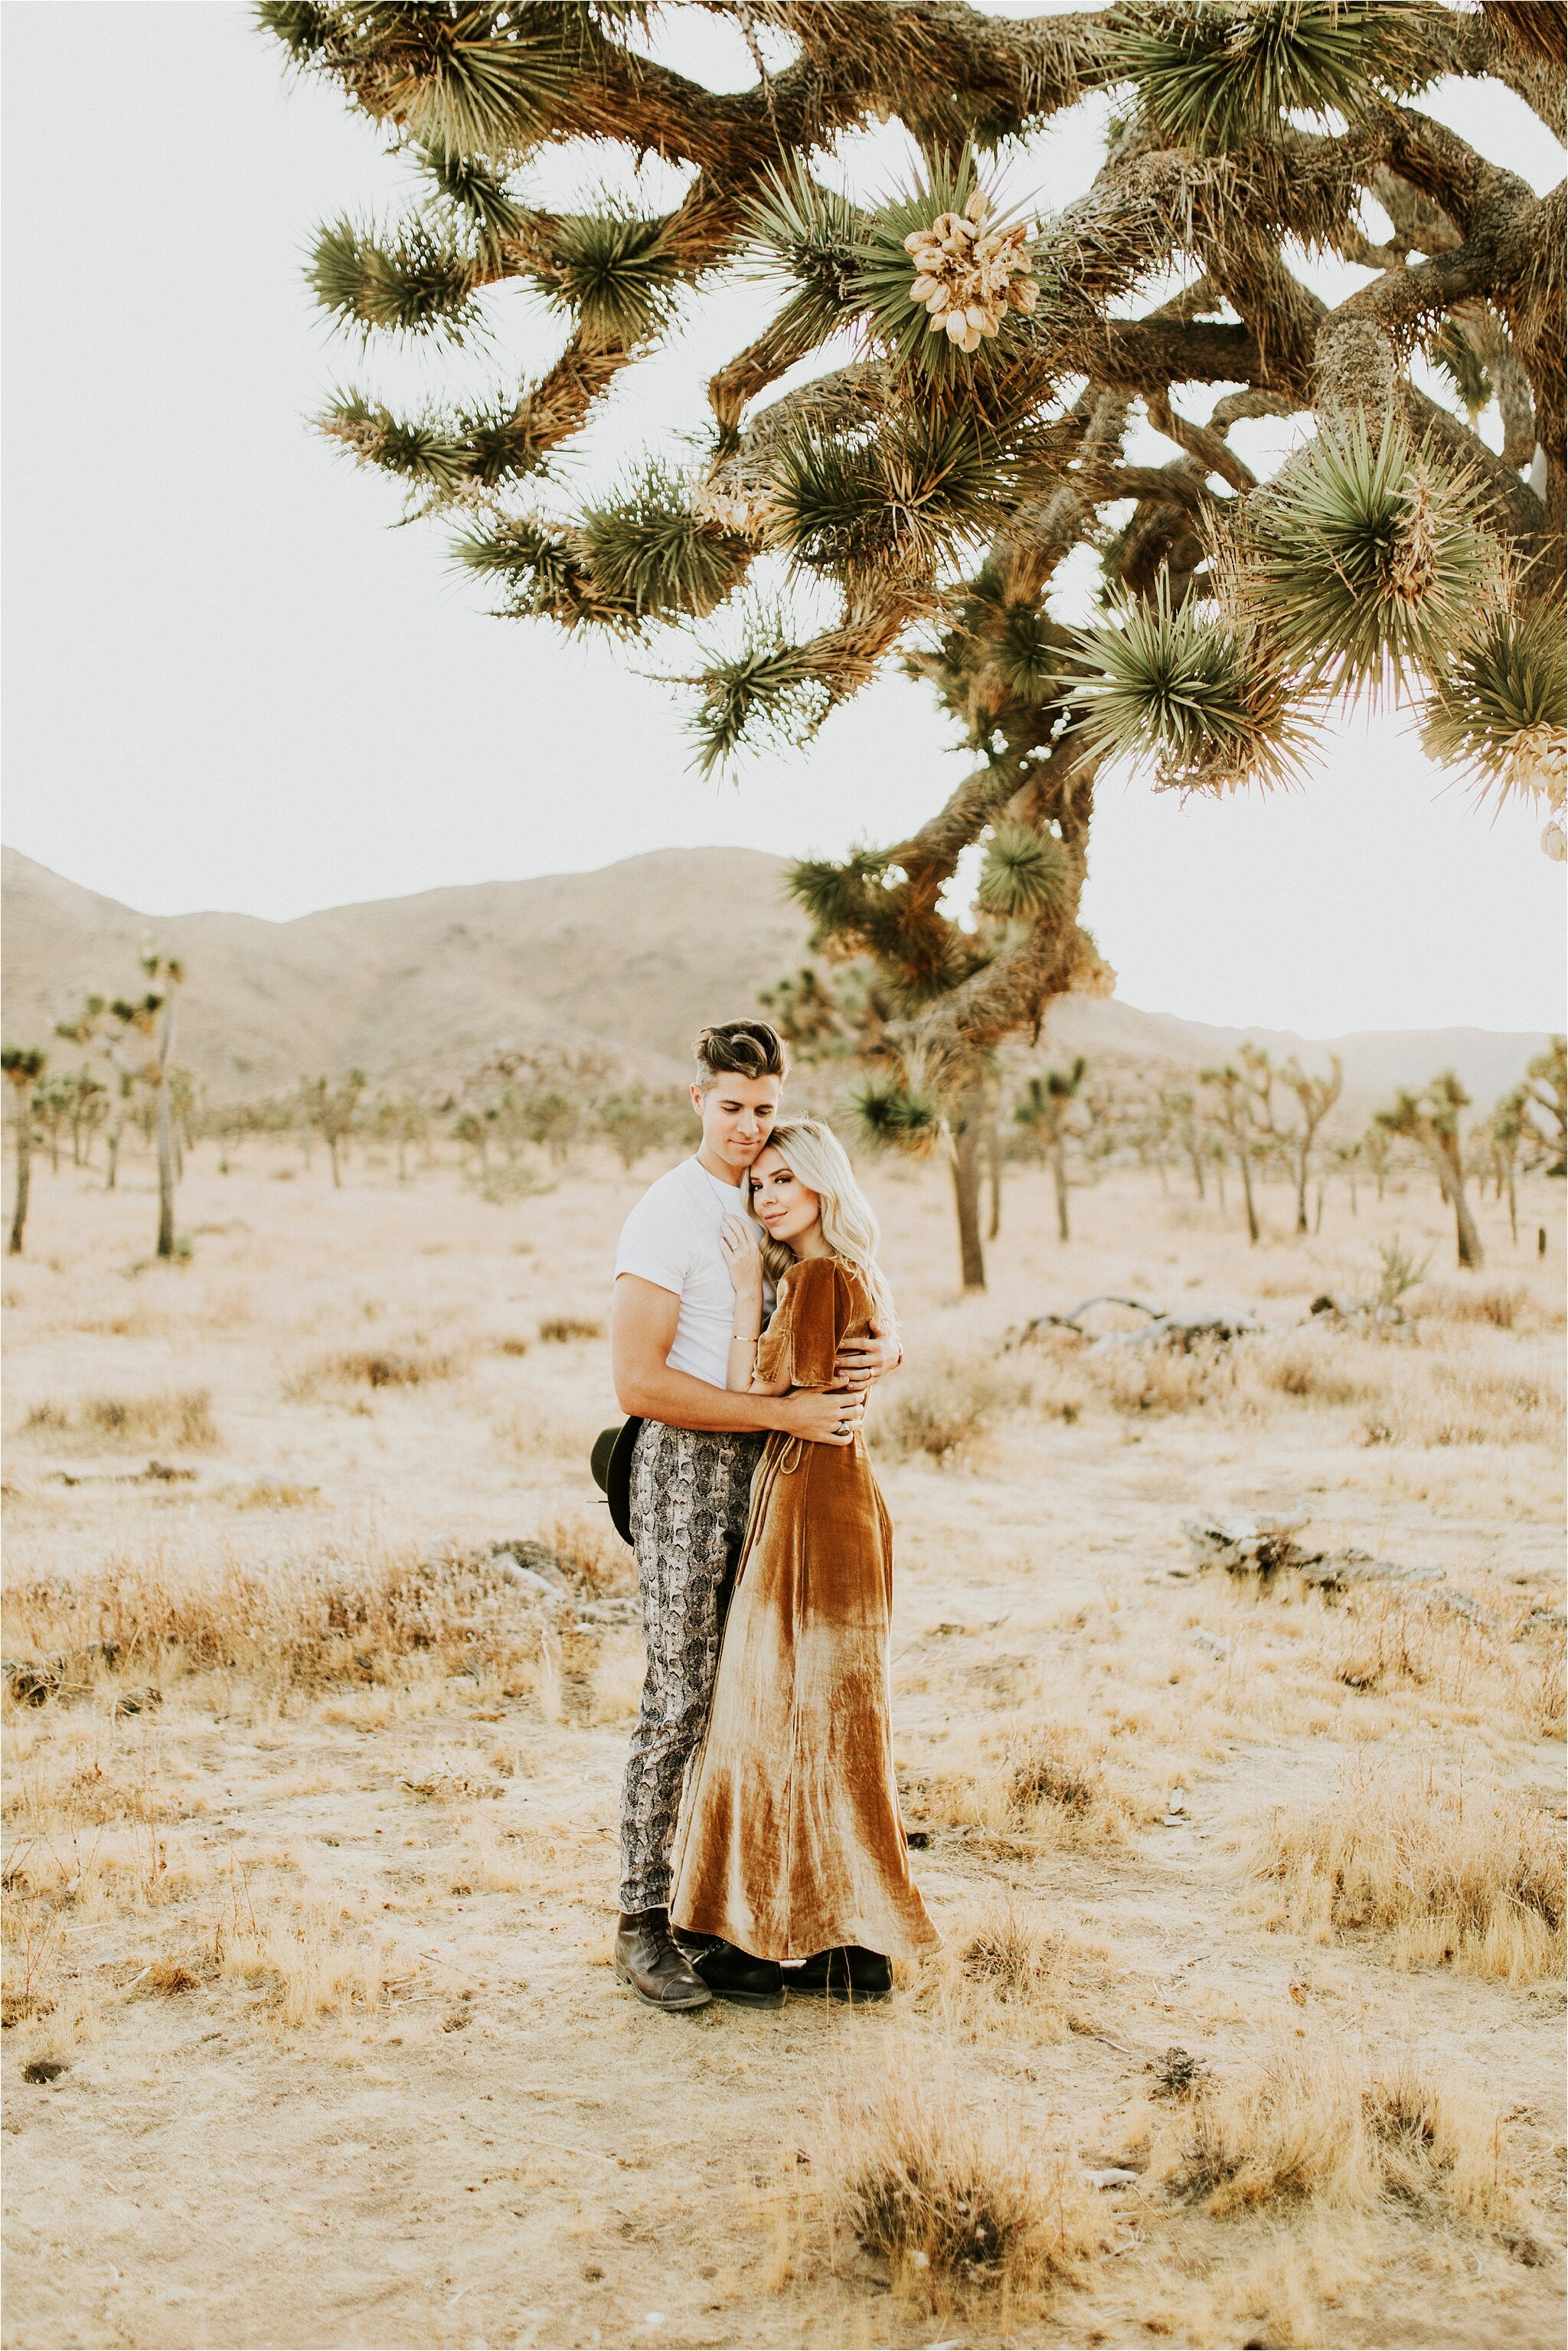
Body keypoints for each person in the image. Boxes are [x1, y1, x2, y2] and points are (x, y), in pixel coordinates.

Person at [609, 1022, 901, 2013]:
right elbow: (640, 1381)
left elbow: (834, 1286)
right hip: (692, 1470)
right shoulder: (667, 1213)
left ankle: (730, 1915)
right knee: (683, 1698)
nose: (748, 1129)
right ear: (696, 1099)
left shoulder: (770, 1196)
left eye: (764, 1109)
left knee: (761, 1701)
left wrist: (885, 1345)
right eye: (731, 1107)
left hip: (780, 1478)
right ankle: (643, 1922)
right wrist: (783, 1409)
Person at [669, 1119, 936, 1997]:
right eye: (759, 1184)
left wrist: (748, 1286)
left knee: (774, 1716)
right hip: (830, 1497)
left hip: (815, 1510)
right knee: (832, 1721)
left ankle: (760, 1945)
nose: (766, 1195)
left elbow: (755, 1390)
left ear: (823, 1183)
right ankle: (843, 1946)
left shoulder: (818, 1275)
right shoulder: (843, 1275)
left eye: (785, 1179)